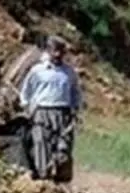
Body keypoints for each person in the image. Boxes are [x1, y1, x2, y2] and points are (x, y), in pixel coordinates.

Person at [19, 36, 82, 183]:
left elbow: (75, 92)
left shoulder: (69, 72)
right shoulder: (37, 71)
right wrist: (27, 107)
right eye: (55, 51)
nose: (58, 54)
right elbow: (26, 92)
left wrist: (75, 109)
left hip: (63, 112)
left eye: (61, 51)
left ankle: (62, 180)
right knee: (41, 145)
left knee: (64, 148)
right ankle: (43, 179)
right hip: (42, 111)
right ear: (48, 51)